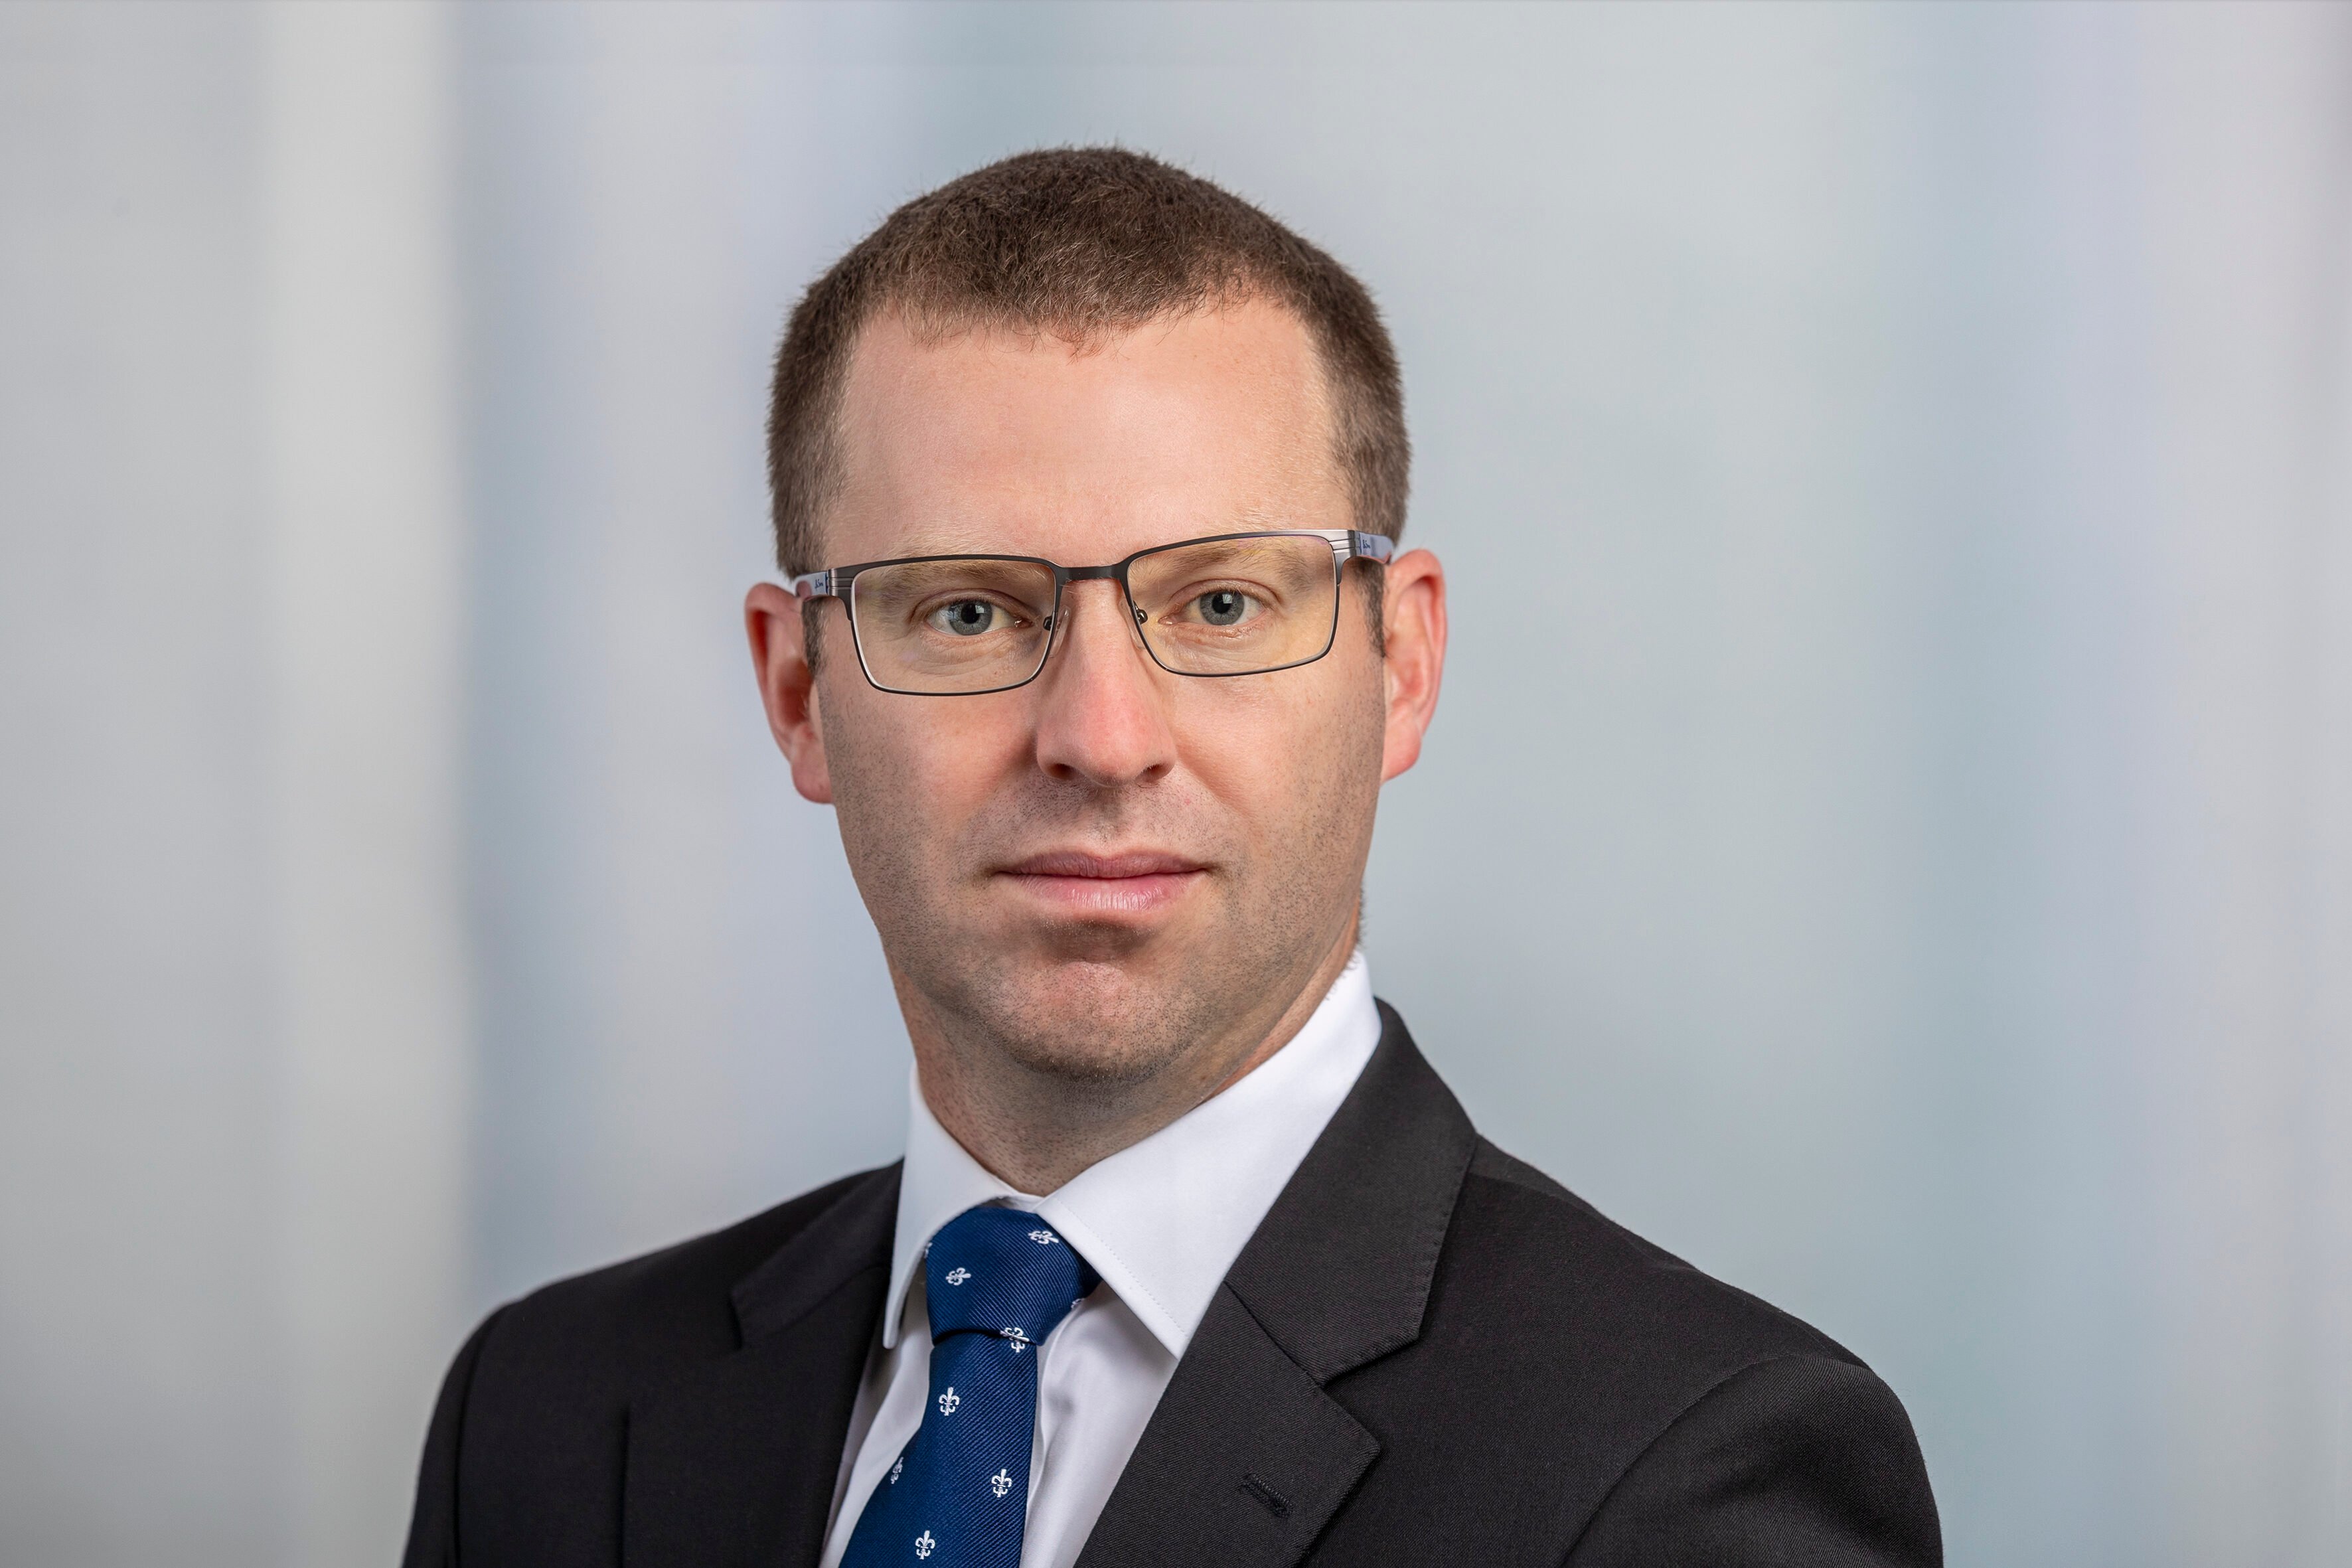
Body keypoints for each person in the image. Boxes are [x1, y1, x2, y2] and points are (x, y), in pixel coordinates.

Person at [402, 147, 1940, 1568]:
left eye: (1218, 604)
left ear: (1399, 666)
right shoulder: (545, 1414)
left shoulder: (1691, 1464)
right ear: (799, 691)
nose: (1101, 735)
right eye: (966, 610)